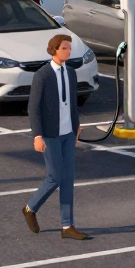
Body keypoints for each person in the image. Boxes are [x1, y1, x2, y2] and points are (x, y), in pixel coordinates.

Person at [22, 34, 89, 240]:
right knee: (55, 177)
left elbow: (73, 104)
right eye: (64, 49)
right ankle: (30, 208)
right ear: (54, 50)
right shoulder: (42, 75)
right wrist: (37, 135)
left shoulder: (70, 73)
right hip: (50, 134)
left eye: (69, 49)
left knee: (68, 179)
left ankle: (67, 226)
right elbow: (33, 108)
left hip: (68, 133)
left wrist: (76, 127)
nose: (68, 52)